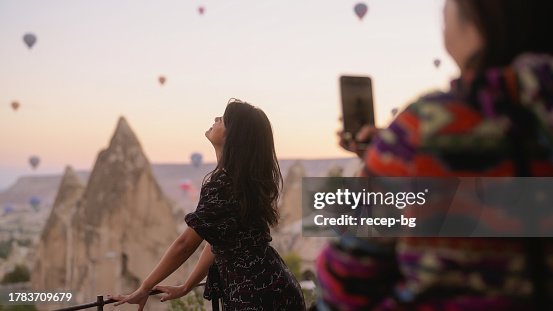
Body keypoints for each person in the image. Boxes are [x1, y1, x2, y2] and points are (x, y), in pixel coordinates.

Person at [316, 0, 553, 310]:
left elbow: (344, 283)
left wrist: (393, 160)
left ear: (480, 17)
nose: (441, 12)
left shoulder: (425, 126)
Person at [111, 99, 305, 311]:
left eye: (224, 119)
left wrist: (145, 287)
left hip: (254, 296)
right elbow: (216, 241)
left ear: (234, 137)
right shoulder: (247, 180)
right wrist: (186, 286)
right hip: (276, 285)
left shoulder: (222, 185)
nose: (216, 119)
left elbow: (184, 244)